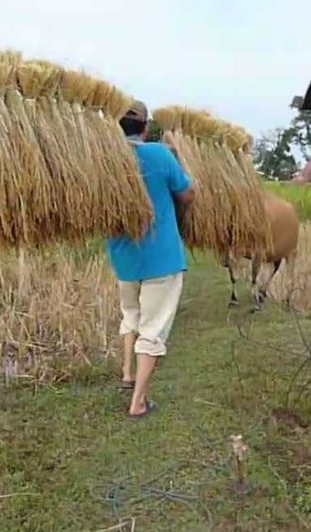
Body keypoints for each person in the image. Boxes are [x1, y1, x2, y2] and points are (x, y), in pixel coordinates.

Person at [108, 100, 195, 419]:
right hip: (162, 259)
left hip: (123, 258)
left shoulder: (105, 159)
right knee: (153, 329)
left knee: (130, 314)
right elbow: (186, 193)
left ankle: (127, 374)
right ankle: (138, 403)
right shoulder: (158, 154)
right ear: (145, 128)